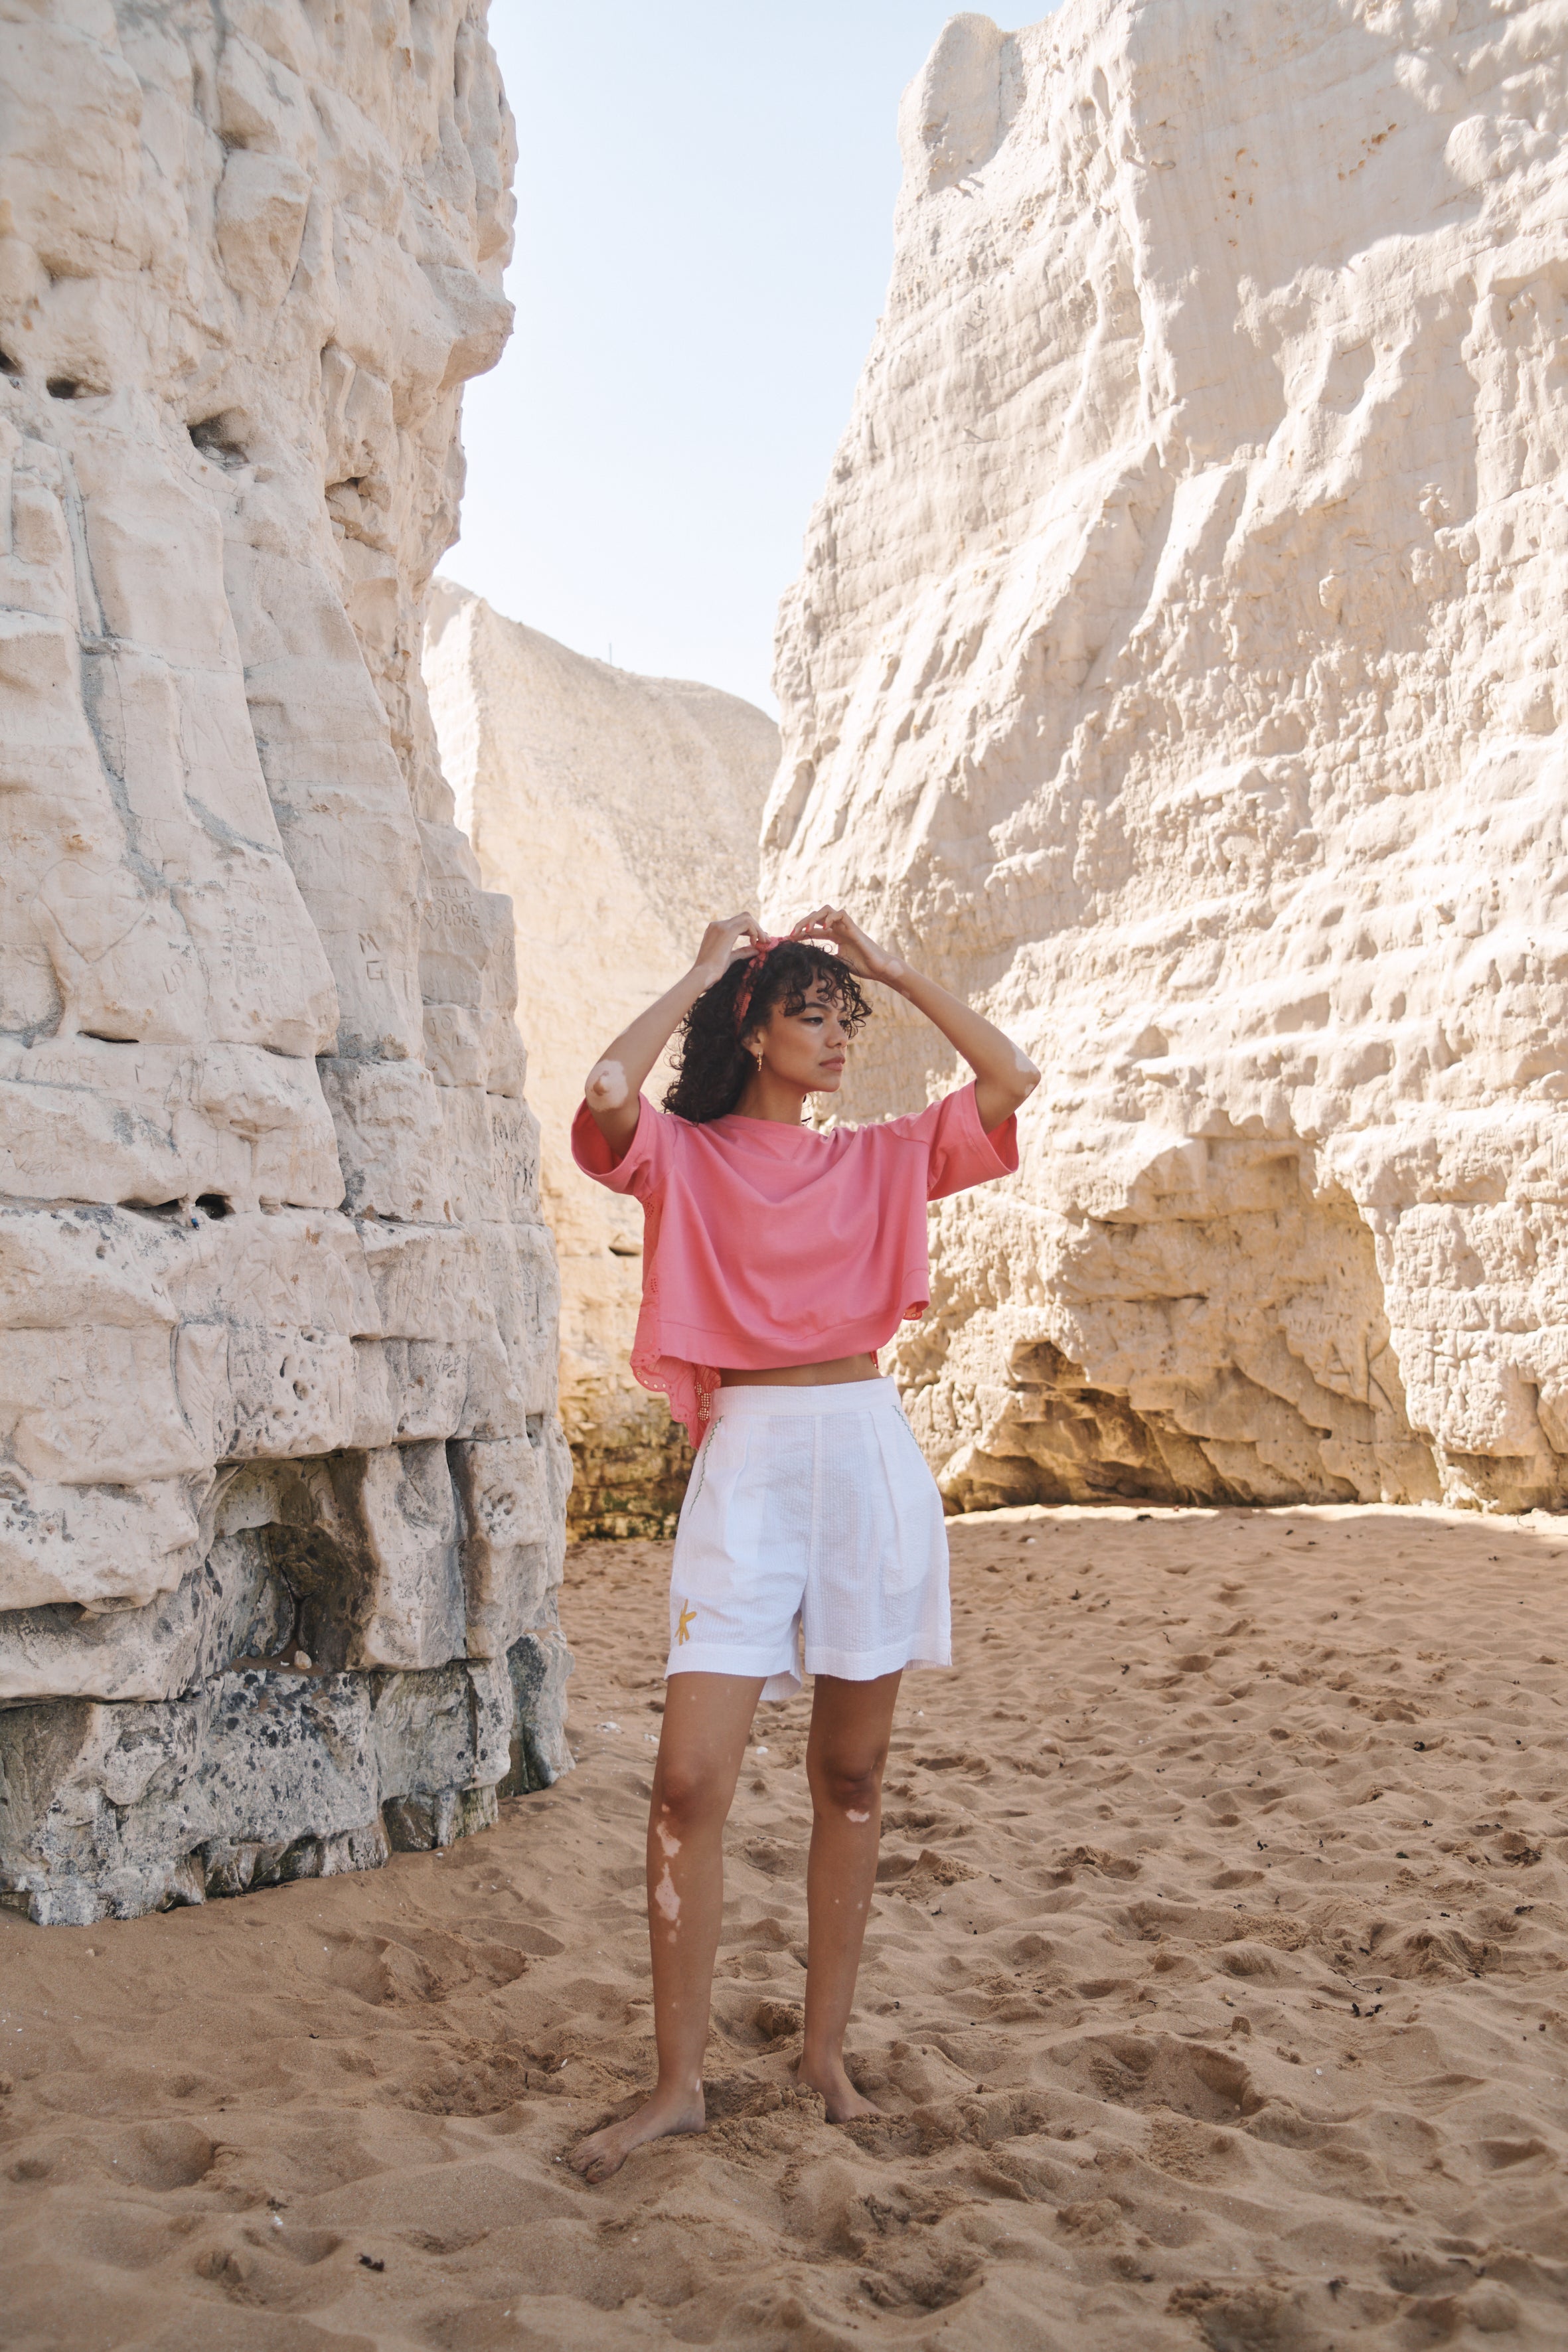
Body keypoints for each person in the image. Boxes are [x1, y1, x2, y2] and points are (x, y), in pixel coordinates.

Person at [566, 905, 1038, 2183]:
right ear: (752, 1030)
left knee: (852, 1775)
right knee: (687, 1784)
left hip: (866, 1459)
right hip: (750, 1469)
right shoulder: (682, 1157)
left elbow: (1011, 1077)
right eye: (809, 1014)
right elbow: (605, 1089)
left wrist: (898, 972)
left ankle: (823, 2057)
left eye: (845, 1017)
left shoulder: (881, 1157)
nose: (835, 1038)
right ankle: (676, 2086)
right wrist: (704, 970)